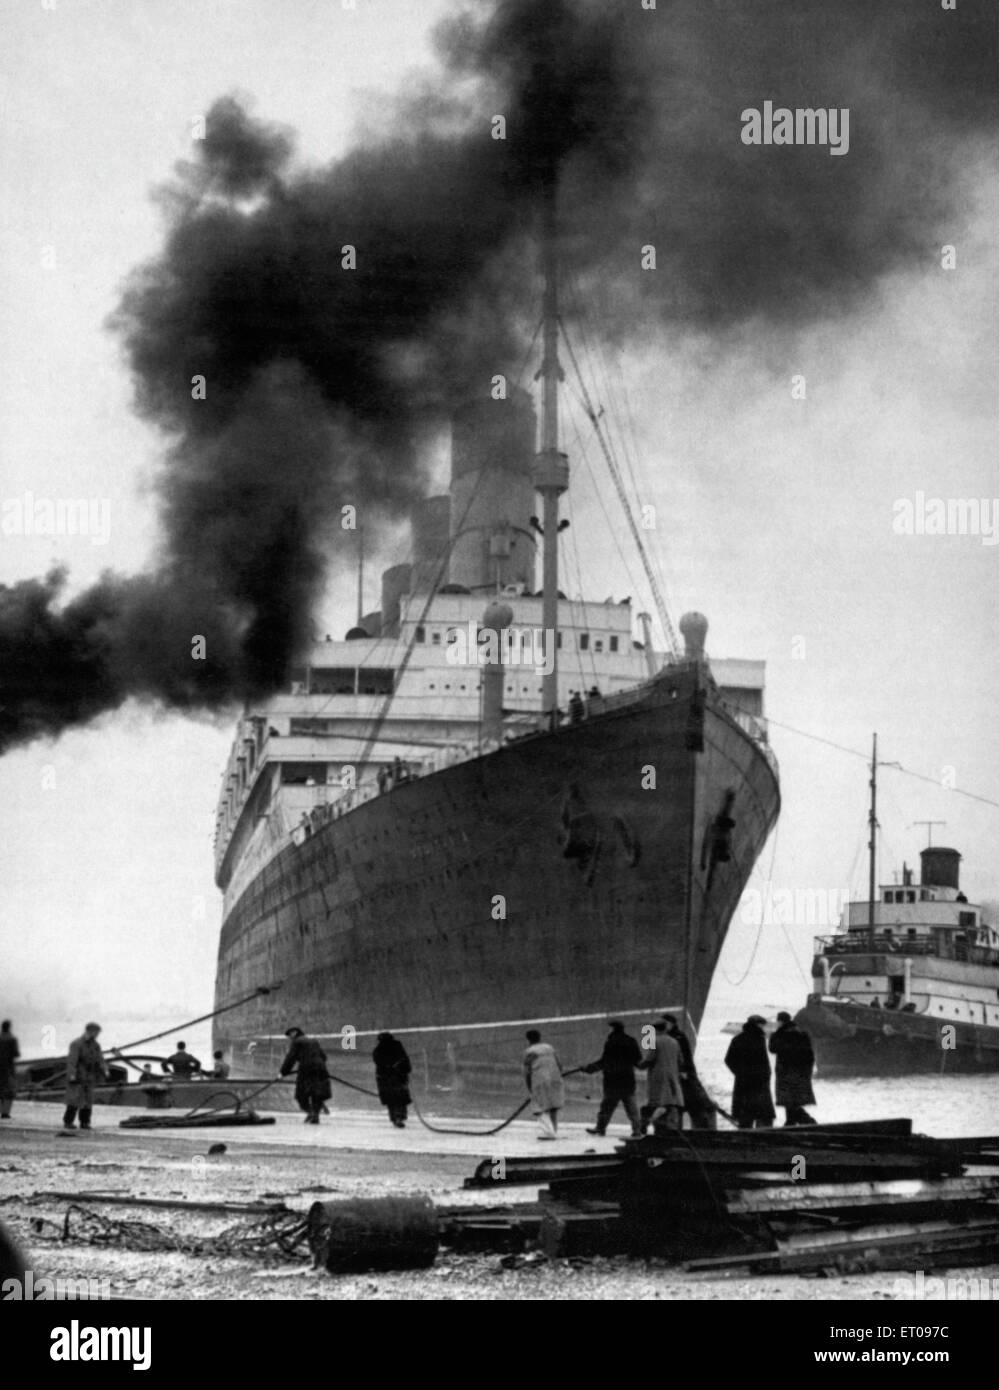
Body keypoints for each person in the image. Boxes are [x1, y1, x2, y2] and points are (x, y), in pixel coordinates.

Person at [584, 1020, 643, 1137]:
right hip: (627, 1080)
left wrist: (590, 1068)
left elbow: (605, 1061)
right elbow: (638, 1060)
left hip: (613, 1081)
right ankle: (637, 1130)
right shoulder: (631, 1041)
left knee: (606, 1107)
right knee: (632, 1108)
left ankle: (600, 1128)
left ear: (613, 1028)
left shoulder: (611, 1042)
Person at [661, 1014, 717, 1129]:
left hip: (682, 1079)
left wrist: (684, 1071)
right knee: (692, 1106)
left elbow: (684, 1057)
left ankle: (682, 1133)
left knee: (683, 1106)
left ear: (670, 1024)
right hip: (681, 1078)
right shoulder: (674, 1037)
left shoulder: (677, 1038)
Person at [724, 1015, 775, 1129]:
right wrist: (766, 1075)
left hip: (743, 1082)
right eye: (761, 1025)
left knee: (745, 1114)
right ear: (757, 1025)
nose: (763, 1027)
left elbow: (728, 1060)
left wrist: (739, 1073)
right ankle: (762, 1140)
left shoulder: (737, 1039)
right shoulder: (759, 1039)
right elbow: (763, 1061)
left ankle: (744, 1136)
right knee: (763, 1114)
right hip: (760, 1082)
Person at [769, 1012, 817, 1126]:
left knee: (789, 1102)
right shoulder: (802, 1033)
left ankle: (807, 1122)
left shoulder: (781, 1034)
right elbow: (810, 1054)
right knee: (792, 1102)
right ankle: (791, 1122)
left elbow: (773, 1048)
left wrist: (776, 1033)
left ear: (780, 1021)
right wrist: (807, 1072)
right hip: (800, 1074)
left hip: (786, 1073)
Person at [279, 1027, 331, 1124]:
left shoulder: (297, 1042)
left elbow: (290, 1058)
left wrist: (283, 1072)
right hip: (321, 1070)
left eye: (290, 1035)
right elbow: (324, 1057)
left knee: (301, 1095)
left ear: (294, 1033)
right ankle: (315, 1115)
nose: (290, 1038)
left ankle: (310, 1112)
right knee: (317, 1094)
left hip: (306, 1071)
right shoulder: (314, 1041)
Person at [63, 1023, 107, 1133]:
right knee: (74, 1099)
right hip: (78, 1076)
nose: (97, 1035)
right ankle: (68, 1122)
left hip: (89, 1076)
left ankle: (85, 1122)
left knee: (88, 1100)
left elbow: (100, 1059)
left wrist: (104, 1069)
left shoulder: (95, 1045)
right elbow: (72, 1061)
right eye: (97, 1032)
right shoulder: (77, 1044)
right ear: (90, 1031)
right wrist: (72, 1075)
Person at [640, 1020, 684, 1133]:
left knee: (657, 1103)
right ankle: (663, 1128)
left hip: (658, 1077)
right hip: (672, 1077)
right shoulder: (675, 1042)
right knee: (669, 1102)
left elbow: (649, 1059)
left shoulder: (654, 1041)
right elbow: (681, 1061)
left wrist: (639, 1065)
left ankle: (647, 1122)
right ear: (665, 1028)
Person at [523, 1029, 564, 1140]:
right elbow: (559, 1064)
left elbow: (527, 1071)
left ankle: (549, 1133)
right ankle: (554, 1131)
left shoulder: (530, 1051)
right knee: (553, 1106)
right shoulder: (549, 1048)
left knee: (539, 1108)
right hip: (555, 1079)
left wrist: (529, 1088)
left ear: (528, 1040)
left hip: (539, 1080)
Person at [373, 1032, 412, 1128]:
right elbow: (405, 1061)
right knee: (400, 1100)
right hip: (398, 1078)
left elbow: (379, 1065)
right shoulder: (397, 1047)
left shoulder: (378, 1050)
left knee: (392, 1101)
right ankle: (399, 1118)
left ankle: (395, 1118)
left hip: (387, 1080)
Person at [0, 1021, 19, 1120]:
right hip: (8, 1068)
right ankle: (5, 1112)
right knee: (9, 1090)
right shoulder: (12, 1039)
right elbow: (16, 1053)